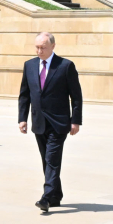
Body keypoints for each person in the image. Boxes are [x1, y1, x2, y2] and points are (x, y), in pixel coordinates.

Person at [18, 32, 82, 212]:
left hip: (59, 122)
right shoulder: (29, 65)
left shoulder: (65, 66)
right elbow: (24, 94)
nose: (40, 51)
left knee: (52, 159)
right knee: (47, 160)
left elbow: (76, 96)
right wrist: (22, 118)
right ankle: (56, 195)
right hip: (38, 121)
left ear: (53, 46)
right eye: (37, 47)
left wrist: (75, 121)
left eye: (43, 47)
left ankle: (46, 197)